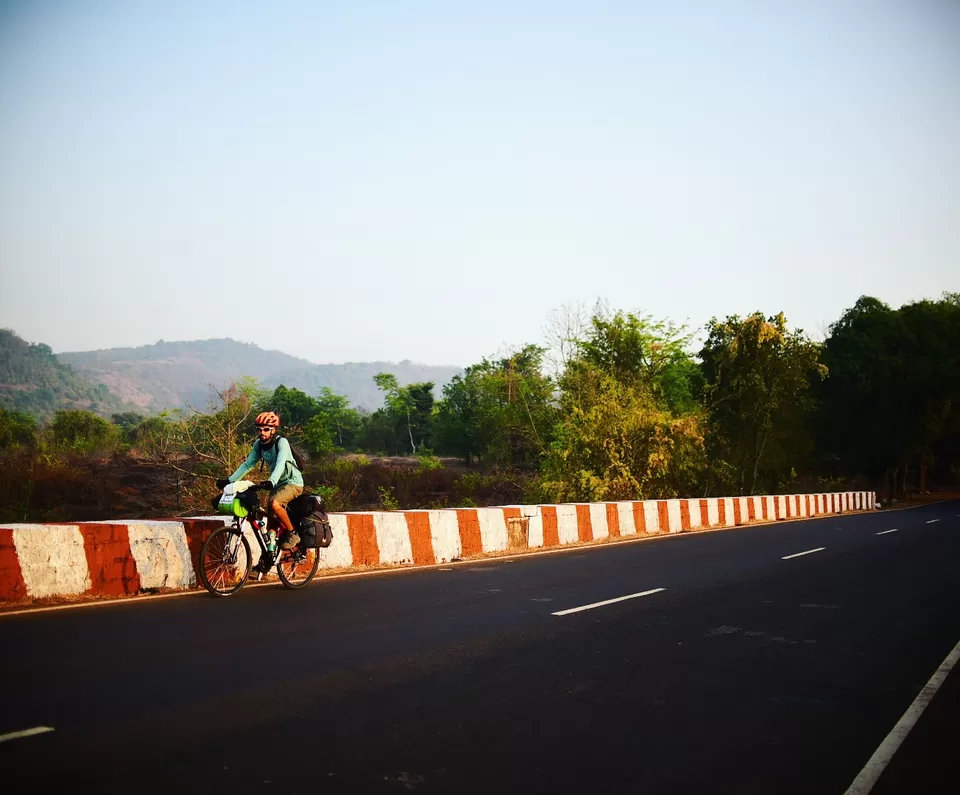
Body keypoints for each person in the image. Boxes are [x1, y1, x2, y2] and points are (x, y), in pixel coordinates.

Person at [216, 411, 304, 570]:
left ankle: (293, 533)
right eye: (259, 429)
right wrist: (230, 480)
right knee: (270, 514)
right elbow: (248, 464)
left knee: (274, 503)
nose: (261, 433)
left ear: (273, 430)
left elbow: (281, 463)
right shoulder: (259, 445)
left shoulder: (281, 442)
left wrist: (271, 481)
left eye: (265, 429)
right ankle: (269, 556)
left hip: (293, 483)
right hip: (277, 484)